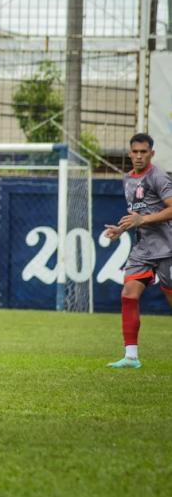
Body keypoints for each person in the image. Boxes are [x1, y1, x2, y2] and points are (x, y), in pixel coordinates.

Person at [103, 132, 172, 369]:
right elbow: (136, 214)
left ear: (152, 153)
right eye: (135, 152)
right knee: (128, 295)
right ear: (130, 153)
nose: (139, 156)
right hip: (143, 249)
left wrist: (143, 220)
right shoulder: (128, 179)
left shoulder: (158, 176)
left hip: (167, 248)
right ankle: (131, 357)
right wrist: (121, 230)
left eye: (144, 152)